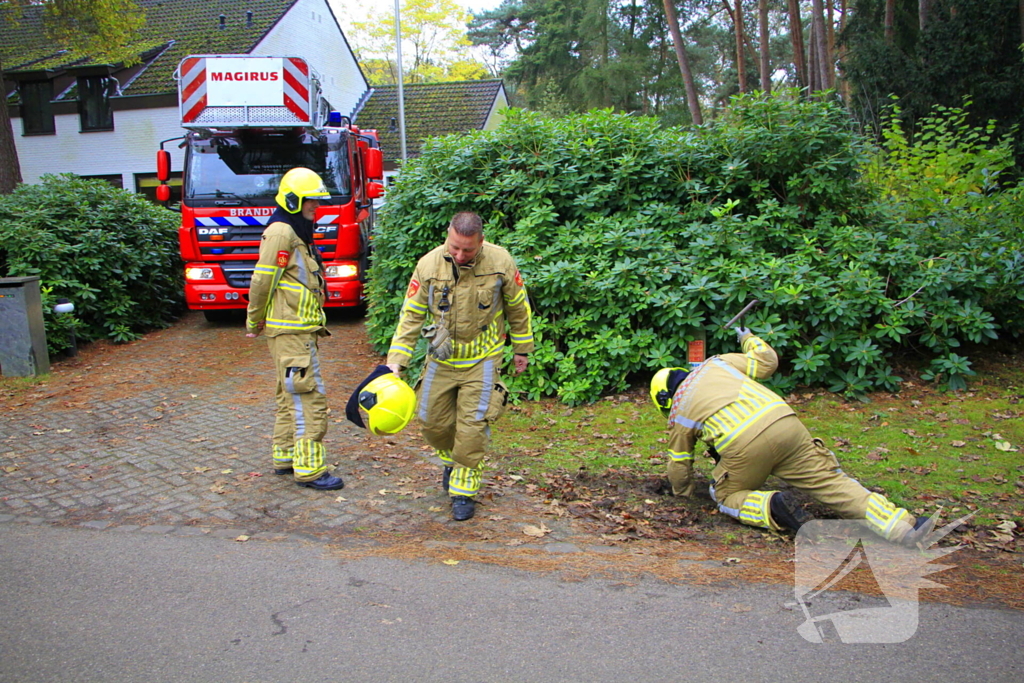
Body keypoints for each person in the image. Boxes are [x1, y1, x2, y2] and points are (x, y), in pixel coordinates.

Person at [649, 327, 932, 546]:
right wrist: (748, 338)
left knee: (724, 495)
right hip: (786, 423)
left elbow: (679, 463)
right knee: (831, 482)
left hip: (744, 446)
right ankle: (904, 526)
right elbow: (766, 362)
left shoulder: (679, 412)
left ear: (664, 400)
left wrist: (682, 495)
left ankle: (771, 507)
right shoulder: (717, 364)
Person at [386, 212, 534, 521]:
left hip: (483, 360)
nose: (460, 255)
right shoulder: (428, 265)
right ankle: (452, 462)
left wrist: (522, 349)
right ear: (448, 235)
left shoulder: (500, 261)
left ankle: (464, 491)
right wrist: (396, 362)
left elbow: (518, 307)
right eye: (454, 247)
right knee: (431, 422)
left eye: (467, 249)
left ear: (481, 241)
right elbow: (411, 315)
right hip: (441, 358)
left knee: (472, 428)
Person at [245, 167, 343, 491]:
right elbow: (263, 279)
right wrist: (253, 320)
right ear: (292, 201)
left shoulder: (296, 231)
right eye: (311, 202)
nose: (316, 208)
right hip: (291, 332)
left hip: (295, 330)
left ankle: (285, 456)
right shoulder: (282, 233)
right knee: (308, 397)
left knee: (288, 394)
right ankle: (311, 470)